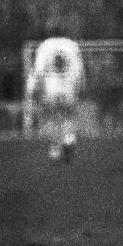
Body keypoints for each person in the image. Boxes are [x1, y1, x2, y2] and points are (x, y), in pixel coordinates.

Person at [26, 31, 85, 161]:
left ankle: (55, 149)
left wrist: (34, 91)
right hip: (68, 89)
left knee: (52, 118)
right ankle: (69, 139)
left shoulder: (45, 45)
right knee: (68, 115)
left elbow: (38, 71)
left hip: (51, 89)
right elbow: (79, 71)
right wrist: (79, 88)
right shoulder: (71, 45)